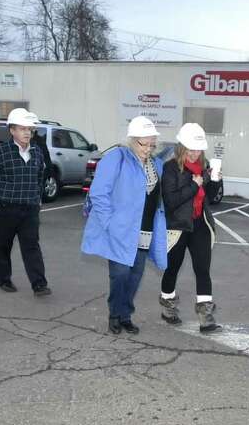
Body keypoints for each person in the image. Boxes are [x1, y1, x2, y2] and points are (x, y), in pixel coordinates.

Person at [81, 116, 169, 334]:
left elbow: (160, 196)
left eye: (152, 144)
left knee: (135, 275)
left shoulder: (156, 165)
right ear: (132, 140)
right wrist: (110, 223)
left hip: (145, 229)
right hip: (120, 230)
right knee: (119, 274)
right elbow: (99, 193)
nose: (148, 148)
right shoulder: (116, 158)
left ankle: (125, 314)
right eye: (144, 143)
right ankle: (114, 314)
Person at [0, 107, 51, 296]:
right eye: (22, 128)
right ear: (12, 130)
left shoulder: (37, 152)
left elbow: (40, 176)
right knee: (3, 246)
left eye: (30, 129)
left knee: (32, 247)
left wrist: (37, 199)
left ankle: (39, 284)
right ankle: (4, 279)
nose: (27, 132)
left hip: (30, 209)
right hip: (5, 208)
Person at [159, 122, 222, 332]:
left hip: (199, 224)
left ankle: (206, 318)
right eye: (191, 149)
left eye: (198, 149)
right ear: (181, 147)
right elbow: (171, 201)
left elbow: (210, 199)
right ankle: (168, 309)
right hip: (177, 226)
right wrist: (194, 185)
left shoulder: (202, 169)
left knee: (203, 269)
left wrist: (214, 181)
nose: (195, 153)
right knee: (172, 269)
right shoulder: (170, 168)